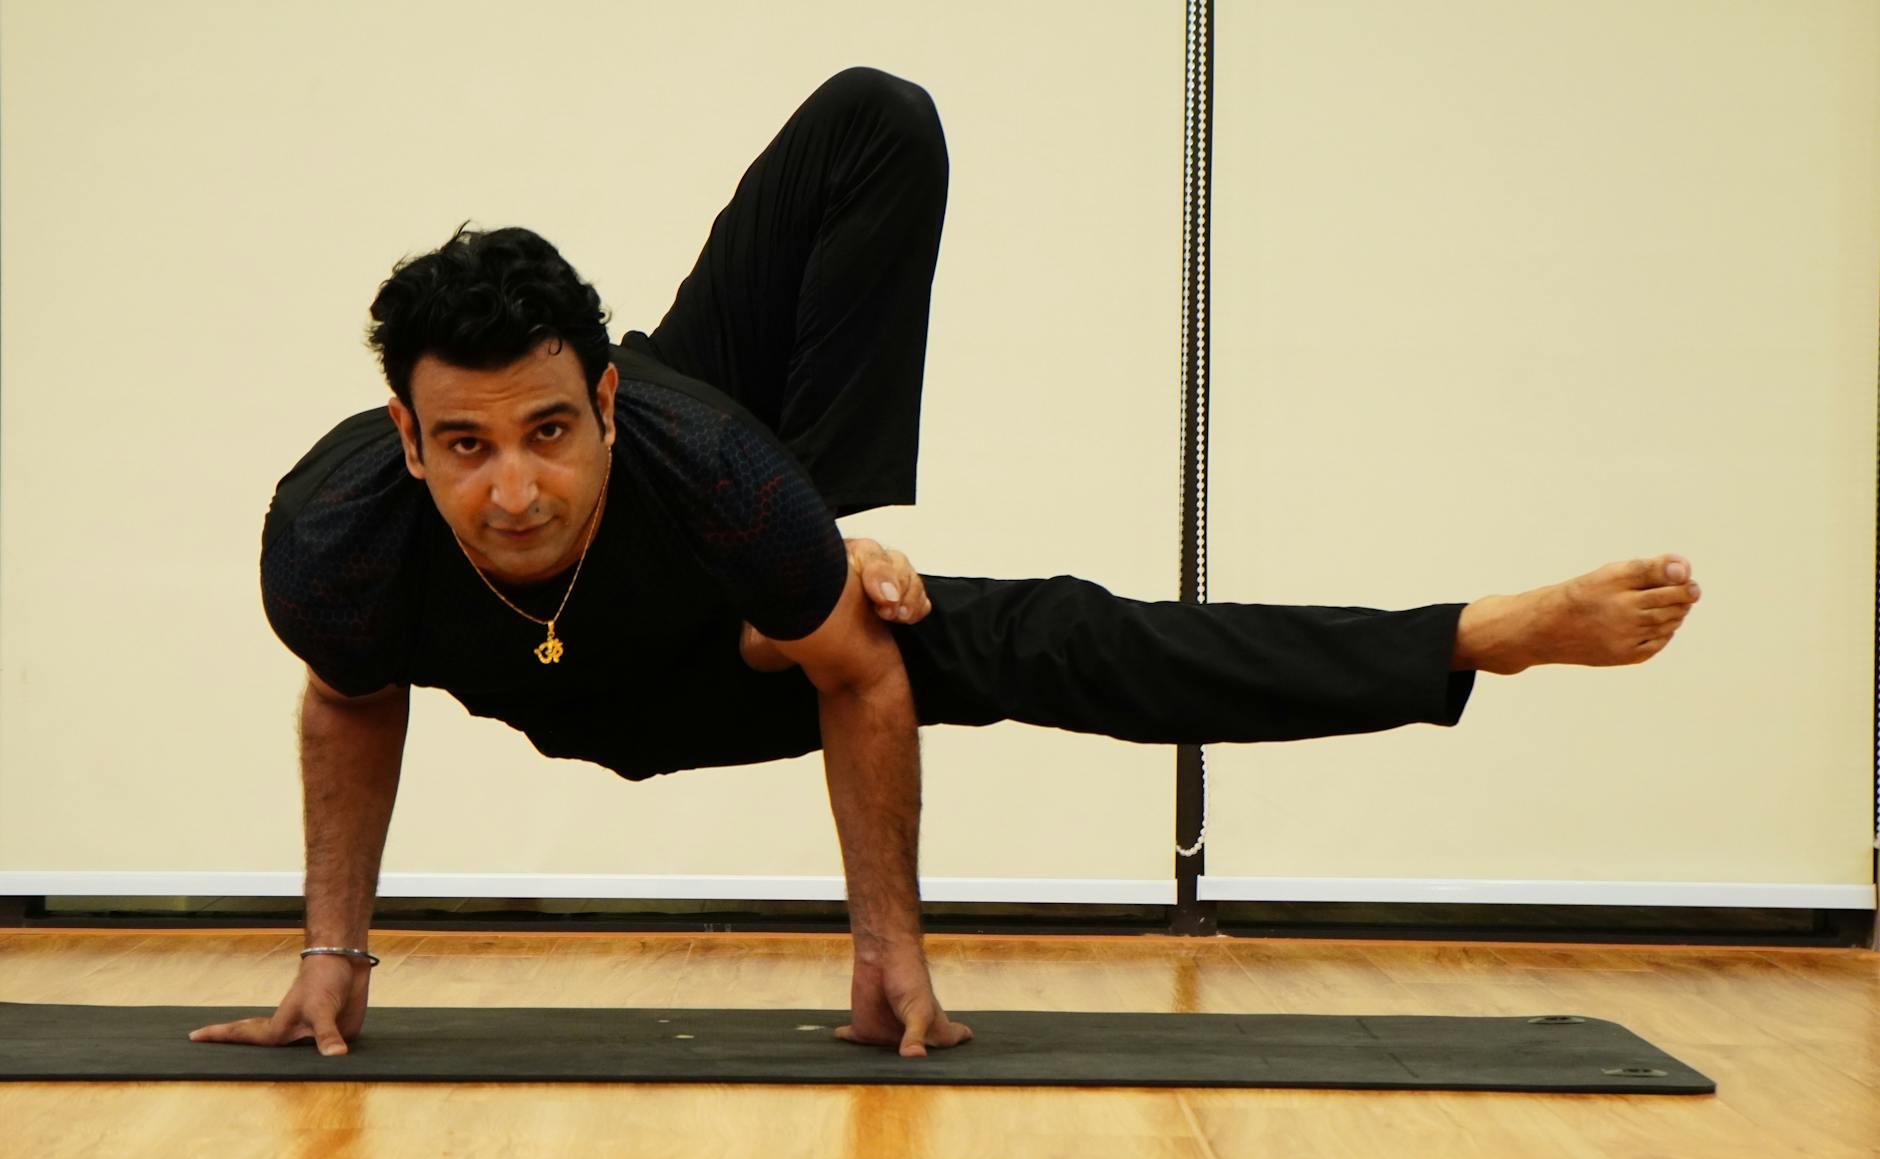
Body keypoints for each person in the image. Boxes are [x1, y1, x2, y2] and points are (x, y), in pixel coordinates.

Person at [189, 67, 1701, 1061]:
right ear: (405, 436)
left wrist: (887, 948)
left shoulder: (695, 460)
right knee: (778, 539)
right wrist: (334, 951)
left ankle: (1467, 633)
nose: (514, 489)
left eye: (547, 429)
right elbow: (350, 699)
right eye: (465, 446)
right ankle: (810, 560)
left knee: (1042, 612)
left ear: (604, 397)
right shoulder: (332, 534)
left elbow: (857, 683)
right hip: (674, 618)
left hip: (754, 624)